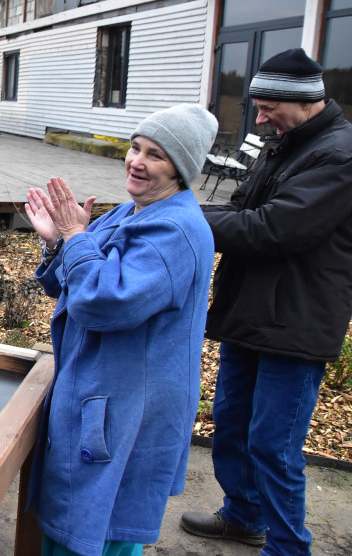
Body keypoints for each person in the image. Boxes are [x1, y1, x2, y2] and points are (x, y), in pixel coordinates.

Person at [25, 104, 218, 556]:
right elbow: (71, 284)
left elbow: (101, 302)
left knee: (98, 528)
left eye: (156, 155)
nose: (137, 161)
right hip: (101, 389)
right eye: (135, 148)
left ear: (181, 169)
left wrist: (74, 235)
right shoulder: (132, 212)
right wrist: (58, 241)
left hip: (125, 405)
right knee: (73, 518)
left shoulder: (175, 231)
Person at [180, 48, 352, 555]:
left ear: (303, 102)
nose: (258, 118)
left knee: (274, 445)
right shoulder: (285, 143)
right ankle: (243, 515)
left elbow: (274, 229)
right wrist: (192, 209)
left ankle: (287, 546)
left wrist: (182, 215)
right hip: (252, 312)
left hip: (295, 321)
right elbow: (240, 206)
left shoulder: (339, 155)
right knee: (232, 423)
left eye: (267, 106)